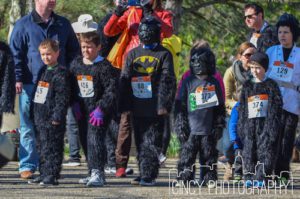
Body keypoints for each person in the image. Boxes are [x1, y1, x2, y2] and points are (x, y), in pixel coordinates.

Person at [9, 0, 79, 179]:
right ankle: (27, 165)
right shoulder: (23, 25)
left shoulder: (63, 24)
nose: (53, 0)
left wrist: (69, 74)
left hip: (56, 84)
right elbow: (15, 54)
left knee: (53, 126)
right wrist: (17, 78)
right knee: (28, 126)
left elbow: (73, 52)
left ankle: (48, 165)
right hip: (29, 83)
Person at [104, 0, 173, 177]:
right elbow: (108, 31)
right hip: (132, 67)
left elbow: (168, 32)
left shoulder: (163, 13)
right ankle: (120, 163)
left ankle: (150, 160)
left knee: (153, 121)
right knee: (126, 120)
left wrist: (152, 14)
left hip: (154, 69)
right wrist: (118, 11)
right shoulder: (131, 12)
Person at [118, 16, 176, 186]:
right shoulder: (132, 54)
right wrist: (125, 105)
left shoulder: (164, 54)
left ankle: (149, 175)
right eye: (144, 30)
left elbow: (168, 80)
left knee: (152, 141)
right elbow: (124, 80)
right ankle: (144, 171)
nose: (146, 33)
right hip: (137, 106)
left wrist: (164, 105)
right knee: (141, 141)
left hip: (155, 107)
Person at [69, 32, 117, 187]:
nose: (86, 50)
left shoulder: (104, 66)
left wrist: (101, 108)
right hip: (81, 110)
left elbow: (112, 90)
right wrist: (74, 103)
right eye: (83, 47)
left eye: (89, 47)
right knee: (85, 140)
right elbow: (70, 85)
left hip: (99, 111)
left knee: (95, 139)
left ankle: (98, 173)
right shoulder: (76, 64)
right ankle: (91, 171)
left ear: (98, 47)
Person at [175, 45, 225, 188]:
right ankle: (185, 178)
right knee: (187, 155)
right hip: (191, 128)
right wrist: (180, 125)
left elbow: (220, 107)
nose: (197, 64)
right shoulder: (188, 81)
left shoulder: (213, 82)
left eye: (201, 61)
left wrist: (219, 126)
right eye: (194, 61)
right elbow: (180, 106)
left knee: (209, 155)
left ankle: (209, 178)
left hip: (208, 128)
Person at [29, 39, 70, 186]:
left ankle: (52, 174)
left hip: (52, 117)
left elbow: (62, 97)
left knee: (52, 146)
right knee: (42, 146)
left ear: (57, 53)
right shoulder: (43, 71)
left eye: (49, 54)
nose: (46, 57)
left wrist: (57, 115)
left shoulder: (61, 73)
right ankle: (44, 172)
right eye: (43, 55)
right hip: (40, 116)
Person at [238, 52, 282, 188]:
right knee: (249, 151)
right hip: (250, 125)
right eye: (252, 67)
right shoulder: (247, 85)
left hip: (266, 125)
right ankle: (249, 175)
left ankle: (263, 176)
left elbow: (276, 107)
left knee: (266, 150)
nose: (254, 71)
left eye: (258, 68)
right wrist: (242, 126)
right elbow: (243, 108)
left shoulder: (271, 85)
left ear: (265, 68)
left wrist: (271, 127)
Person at [266, 13, 300, 184]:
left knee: (286, 141)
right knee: (271, 139)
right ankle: (266, 173)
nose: (282, 36)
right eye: (280, 32)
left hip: (292, 104)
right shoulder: (271, 52)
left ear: (293, 33)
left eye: (286, 32)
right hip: (272, 103)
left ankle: (283, 175)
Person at [63, 14, 99, 167]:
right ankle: (74, 154)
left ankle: (94, 156)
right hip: (73, 82)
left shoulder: (95, 45)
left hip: (92, 88)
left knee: (93, 124)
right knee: (72, 120)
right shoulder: (71, 43)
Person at [222, 42, 256, 180]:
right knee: (229, 145)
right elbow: (226, 98)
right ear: (240, 56)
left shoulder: (258, 71)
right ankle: (230, 163)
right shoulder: (230, 72)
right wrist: (240, 106)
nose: (251, 57)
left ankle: (252, 168)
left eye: (254, 54)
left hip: (254, 112)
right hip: (234, 111)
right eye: (248, 55)